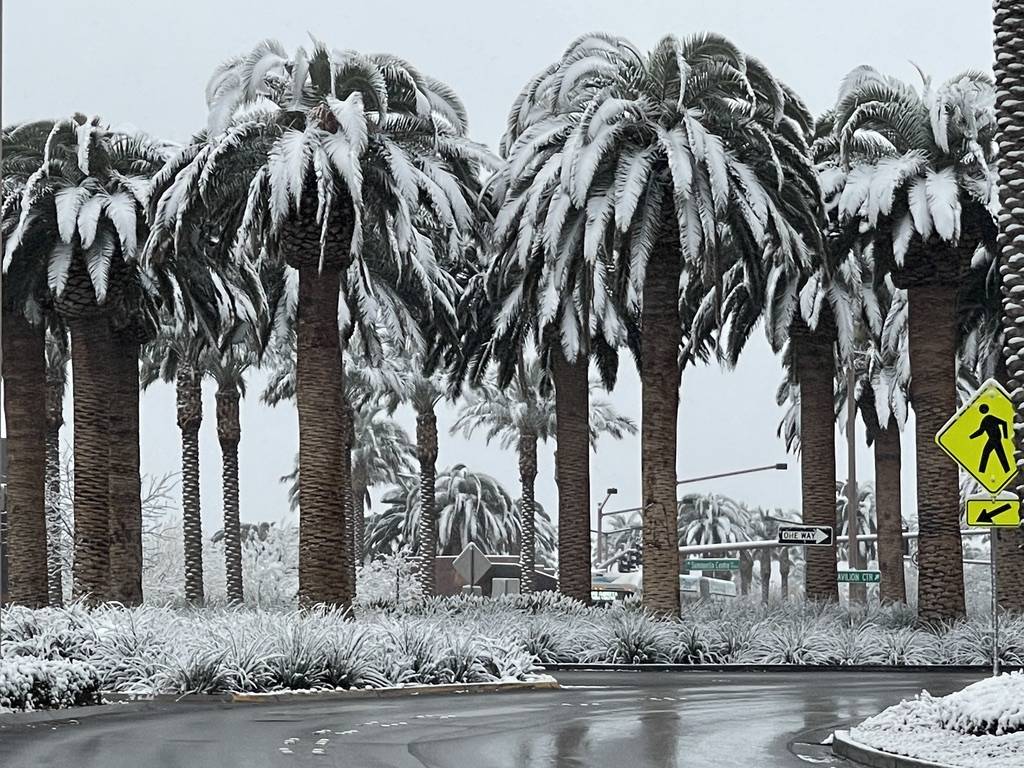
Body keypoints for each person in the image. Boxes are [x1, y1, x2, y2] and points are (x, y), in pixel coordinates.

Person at [969, 404, 1011, 474]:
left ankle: (981, 471)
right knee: (999, 454)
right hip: (994, 438)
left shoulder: (989, 418)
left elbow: (1004, 423)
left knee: (987, 453)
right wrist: (971, 437)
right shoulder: (985, 419)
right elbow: (981, 431)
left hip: (994, 439)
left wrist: (1005, 436)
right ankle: (1007, 470)